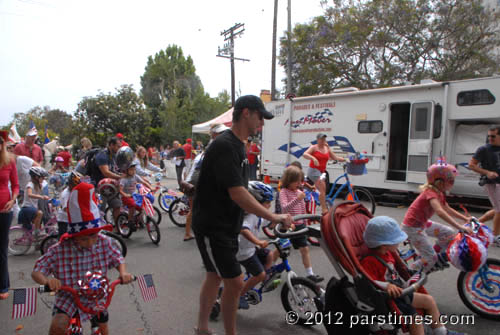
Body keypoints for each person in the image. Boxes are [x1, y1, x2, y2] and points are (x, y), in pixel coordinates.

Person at [192, 95, 292, 335]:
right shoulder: (226, 145)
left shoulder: (239, 145)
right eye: (260, 117)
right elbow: (237, 193)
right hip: (213, 225)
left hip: (226, 224)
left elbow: (241, 188)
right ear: (246, 113)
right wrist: (273, 217)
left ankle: (203, 329)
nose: (262, 123)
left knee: (214, 276)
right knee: (235, 281)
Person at [32, 182, 133, 335]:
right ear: (74, 236)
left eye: (93, 236)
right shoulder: (60, 250)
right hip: (69, 297)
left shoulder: (104, 242)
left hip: (96, 295)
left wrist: (123, 273)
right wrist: (48, 281)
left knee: (102, 325)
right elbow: (37, 271)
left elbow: (118, 258)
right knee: (58, 326)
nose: (91, 242)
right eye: (84, 239)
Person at [362, 216, 468, 335]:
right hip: (389, 298)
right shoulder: (369, 261)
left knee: (429, 300)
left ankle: (441, 332)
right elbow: (368, 280)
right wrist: (387, 286)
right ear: (384, 245)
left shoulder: (388, 253)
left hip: (401, 291)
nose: (399, 243)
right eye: (396, 241)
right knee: (415, 320)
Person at [402, 160, 473, 273]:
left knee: (450, 233)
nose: (452, 183)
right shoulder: (430, 193)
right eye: (451, 181)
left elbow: (447, 208)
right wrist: (461, 226)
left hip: (422, 224)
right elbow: (440, 211)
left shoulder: (439, 193)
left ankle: (430, 257)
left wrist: (466, 219)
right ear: (440, 182)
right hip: (412, 228)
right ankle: (409, 273)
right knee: (431, 258)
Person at [181, 123, 230, 242]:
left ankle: (190, 233)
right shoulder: (215, 147)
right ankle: (200, 232)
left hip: (192, 182)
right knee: (203, 207)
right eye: (221, 133)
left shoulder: (207, 149)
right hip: (197, 183)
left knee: (199, 208)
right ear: (215, 134)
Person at [236, 181, 279, 309]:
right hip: (244, 252)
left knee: (270, 255)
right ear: (256, 203)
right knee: (259, 274)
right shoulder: (251, 216)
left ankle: (264, 278)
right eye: (267, 202)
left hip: (251, 249)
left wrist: (282, 224)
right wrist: (258, 242)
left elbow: (270, 221)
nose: (270, 205)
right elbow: (244, 229)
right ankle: (240, 295)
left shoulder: (259, 215)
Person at [279, 165, 324, 283]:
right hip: (289, 226)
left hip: (300, 226)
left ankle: (310, 274)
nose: (299, 184)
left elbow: (302, 209)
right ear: (289, 180)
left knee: (305, 249)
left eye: (300, 182)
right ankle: (272, 270)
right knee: (281, 250)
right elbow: (284, 208)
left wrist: (305, 222)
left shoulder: (299, 191)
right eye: (296, 182)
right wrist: (297, 199)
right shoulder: (284, 192)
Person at [469, 125, 500, 247]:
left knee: (497, 209)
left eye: (493, 136)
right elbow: (471, 165)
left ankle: (476, 222)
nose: (490, 138)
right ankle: (496, 237)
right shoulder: (484, 149)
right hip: (492, 183)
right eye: (489, 136)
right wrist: (487, 173)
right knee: (499, 210)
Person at [302, 133, 346, 215]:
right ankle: (324, 210)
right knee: (323, 187)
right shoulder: (314, 147)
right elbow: (305, 154)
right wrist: (313, 158)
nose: (323, 141)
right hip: (313, 170)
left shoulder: (327, 148)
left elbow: (335, 158)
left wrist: (346, 160)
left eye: (324, 139)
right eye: (321, 139)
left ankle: (318, 201)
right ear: (317, 140)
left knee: (323, 189)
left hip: (321, 171)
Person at [0, 130, 19, 300]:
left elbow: (16, 185)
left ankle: (3, 285)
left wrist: (13, 200)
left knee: (2, 248)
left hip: (4, 210)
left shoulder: (9, 161)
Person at [94, 137, 123, 223]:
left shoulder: (113, 155)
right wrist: (120, 177)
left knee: (117, 205)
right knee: (100, 209)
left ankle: (118, 227)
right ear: (111, 145)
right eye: (118, 146)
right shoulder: (102, 155)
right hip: (99, 187)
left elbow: (114, 169)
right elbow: (106, 172)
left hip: (110, 185)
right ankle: (98, 230)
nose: (119, 148)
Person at [18, 167, 50, 238]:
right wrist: (41, 197)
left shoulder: (39, 185)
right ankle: (37, 231)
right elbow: (30, 194)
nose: (43, 179)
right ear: (36, 177)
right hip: (26, 208)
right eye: (42, 178)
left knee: (38, 218)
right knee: (40, 213)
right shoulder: (30, 184)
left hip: (32, 208)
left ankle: (35, 232)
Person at [119, 162, 152, 229]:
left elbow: (144, 182)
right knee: (132, 205)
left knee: (141, 208)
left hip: (134, 196)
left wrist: (150, 188)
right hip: (126, 197)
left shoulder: (135, 176)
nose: (133, 171)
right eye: (131, 170)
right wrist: (125, 194)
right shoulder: (123, 180)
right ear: (126, 171)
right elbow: (120, 190)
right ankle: (130, 220)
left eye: (134, 169)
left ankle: (139, 220)